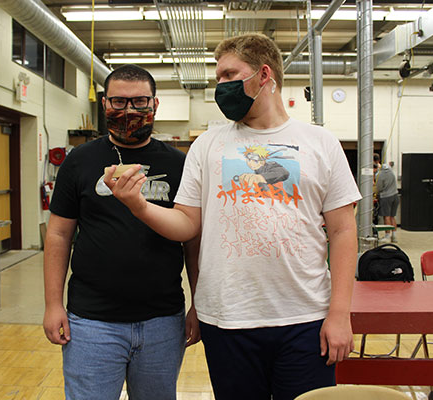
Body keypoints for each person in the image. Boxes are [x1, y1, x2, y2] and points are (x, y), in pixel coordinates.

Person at [105, 34, 361, 399]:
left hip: (304, 317)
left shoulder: (320, 143)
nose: (220, 87)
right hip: (227, 318)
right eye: (217, 78)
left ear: (264, 74)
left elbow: (343, 231)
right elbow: (187, 225)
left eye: (228, 75)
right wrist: (139, 206)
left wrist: (340, 314)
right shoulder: (207, 145)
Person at [43, 64, 200, 400]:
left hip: (162, 319)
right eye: (118, 102)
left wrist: (198, 304)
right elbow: (58, 234)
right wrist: (53, 304)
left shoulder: (178, 163)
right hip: (91, 321)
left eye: (140, 102)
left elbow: (193, 241)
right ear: (104, 105)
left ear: (155, 105)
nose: (128, 111)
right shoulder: (79, 161)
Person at [374, 154, 399, 243]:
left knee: (386, 217)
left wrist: (376, 193)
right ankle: (394, 236)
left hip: (386, 197)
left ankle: (387, 236)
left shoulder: (380, 174)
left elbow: (379, 187)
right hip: (395, 195)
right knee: (392, 216)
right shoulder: (390, 169)